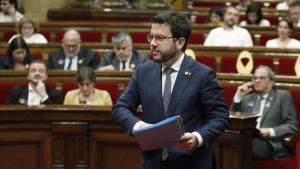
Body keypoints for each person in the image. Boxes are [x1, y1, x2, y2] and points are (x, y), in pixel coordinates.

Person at [112, 11, 230, 169]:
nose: (152, 43)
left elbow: (220, 117)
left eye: (159, 38)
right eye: (151, 37)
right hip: (153, 162)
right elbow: (120, 108)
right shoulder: (143, 72)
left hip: (192, 162)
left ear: (180, 42)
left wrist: (197, 137)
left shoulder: (203, 75)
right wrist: (140, 127)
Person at [230, 65, 298, 160]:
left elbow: (292, 126)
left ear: (271, 82)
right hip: (246, 139)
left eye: (262, 78)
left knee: (244, 146)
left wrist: (270, 131)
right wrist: (238, 97)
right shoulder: (247, 98)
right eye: (255, 78)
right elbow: (232, 120)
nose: (257, 81)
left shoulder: (282, 96)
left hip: (268, 143)